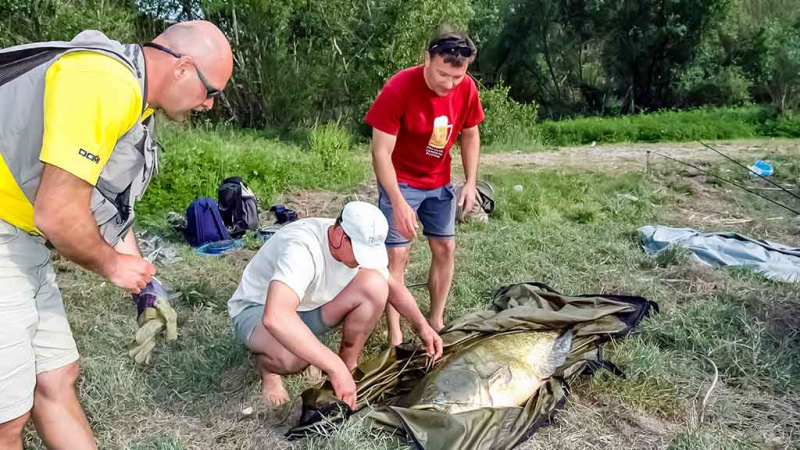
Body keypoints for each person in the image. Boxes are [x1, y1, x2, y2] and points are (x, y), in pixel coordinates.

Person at [0, 21, 233, 449]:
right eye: (211, 91)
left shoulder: (135, 105)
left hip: (20, 234)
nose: (210, 105)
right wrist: (112, 266)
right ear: (182, 67)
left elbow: (107, 213)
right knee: (6, 419)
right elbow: (59, 214)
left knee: (56, 376)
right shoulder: (104, 82)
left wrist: (148, 291)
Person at [228, 202, 443, 408]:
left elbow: (392, 286)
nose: (361, 261)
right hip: (258, 310)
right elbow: (276, 317)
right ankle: (268, 369)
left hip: (309, 306)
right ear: (340, 235)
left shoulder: (353, 233)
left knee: (376, 285)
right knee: (293, 359)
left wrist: (422, 326)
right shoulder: (301, 248)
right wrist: (332, 366)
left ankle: (349, 364)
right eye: (359, 253)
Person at [365, 30, 485, 346]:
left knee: (445, 247)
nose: (449, 84)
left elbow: (470, 135)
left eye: (457, 77)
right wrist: (398, 201)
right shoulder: (399, 88)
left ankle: (436, 320)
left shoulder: (467, 89)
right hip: (400, 180)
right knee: (397, 255)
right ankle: (395, 333)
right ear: (427, 60)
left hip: (439, 182)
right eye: (443, 74)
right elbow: (380, 153)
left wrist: (470, 181)